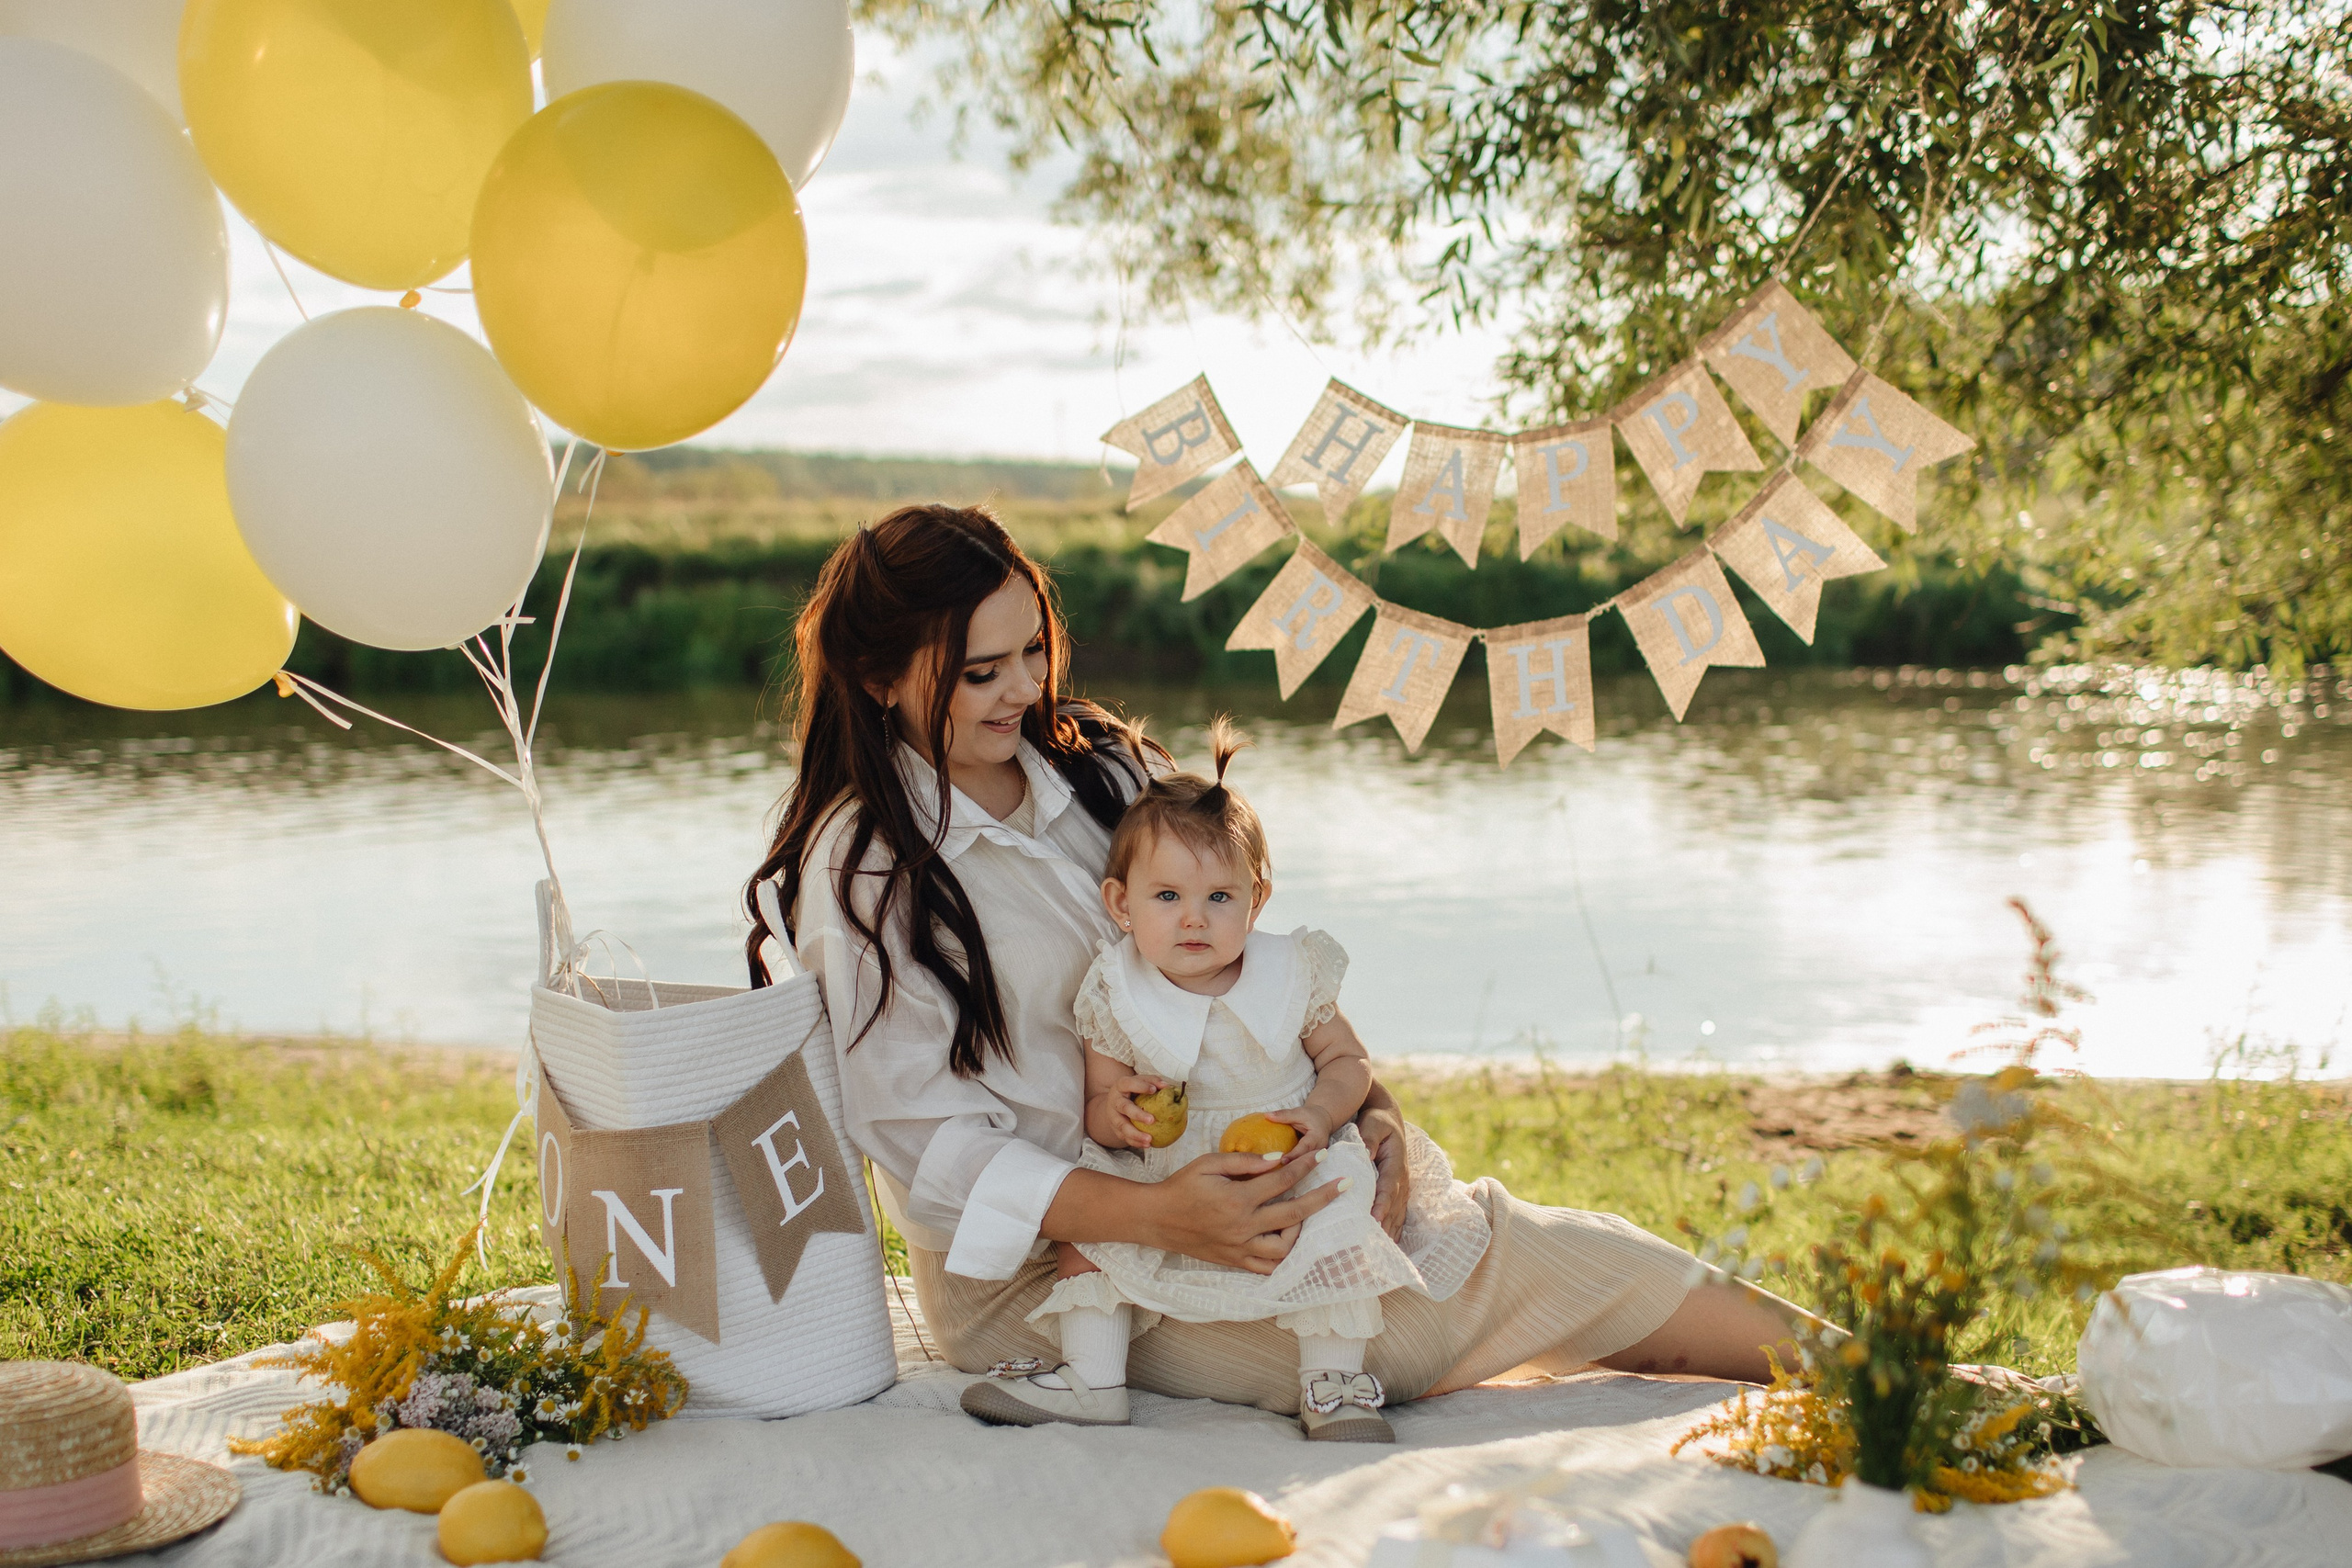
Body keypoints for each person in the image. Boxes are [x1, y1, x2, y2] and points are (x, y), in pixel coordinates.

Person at [744, 502, 1811, 1426]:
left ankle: (1867, 1368)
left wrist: (1373, 1116)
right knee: (1412, 1322)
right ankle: (1864, 1372)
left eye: (1033, 650)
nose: (1025, 686)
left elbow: (1245, 963)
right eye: (981, 671)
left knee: (1483, 1232)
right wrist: (1160, 1217)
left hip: (1217, 1166)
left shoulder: (1104, 773)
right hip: (1044, 1267)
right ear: (879, 677)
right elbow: (932, 1156)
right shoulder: (867, 875)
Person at [961, 719, 1492, 1440]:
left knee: (1338, 1213)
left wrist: (1319, 1110)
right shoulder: (1114, 992)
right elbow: (1095, 1101)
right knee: (1087, 1230)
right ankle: (1091, 1377)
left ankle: (1332, 1383)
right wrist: (1118, 1115)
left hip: (1286, 1164)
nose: (1193, 919)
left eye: (1219, 897)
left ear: (1257, 899)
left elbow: (1348, 1060)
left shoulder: (1291, 973)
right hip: (1162, 1177)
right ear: (1122, 904)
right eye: (1168, 896)